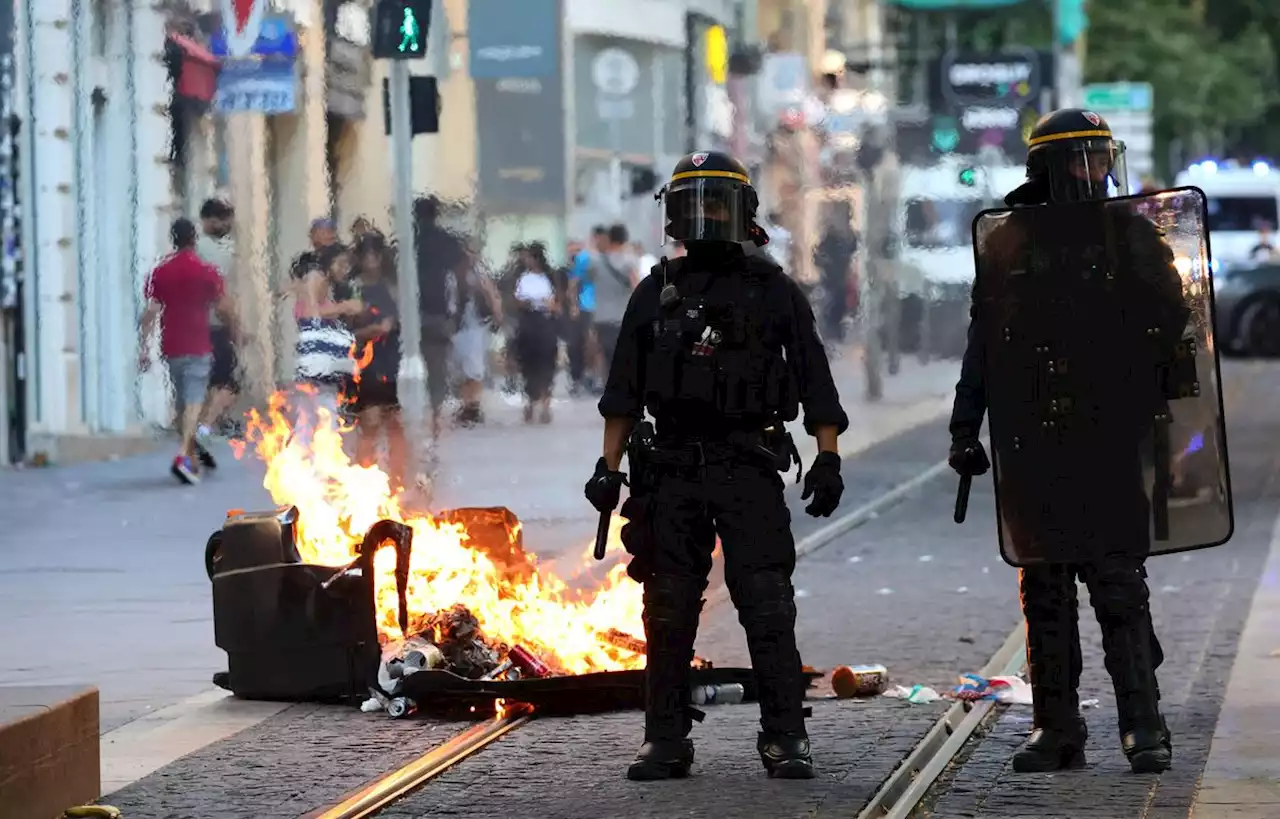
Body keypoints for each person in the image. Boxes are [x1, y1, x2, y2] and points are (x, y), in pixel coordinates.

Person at [583, 150, 848, 781]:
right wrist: (607, 467)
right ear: (675, 212)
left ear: (741, 214)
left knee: (766, 602)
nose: (704, 215)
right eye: (693, 202)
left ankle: (785, 736)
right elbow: (622, 392)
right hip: (670, 468)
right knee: (668, 608)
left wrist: (828, 458)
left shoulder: (775, 290)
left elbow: (815, 381)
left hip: (747, 464)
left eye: (716, 203)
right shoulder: (655, 292)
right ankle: (665, 739)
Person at [949, 109, 1189, 775]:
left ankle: (1145, 725)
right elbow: (983, 347)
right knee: (1046, 590)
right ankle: (1058, 730)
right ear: (1048, 168)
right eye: (1079, 158)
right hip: (1034, 442)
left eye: (1098, 156)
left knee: (1117, 584)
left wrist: (1149, 393)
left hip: (1107, 437)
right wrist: (963, 428)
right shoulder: (1010, 243)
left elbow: (1174, 333)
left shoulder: (1130, 237)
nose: (1093, 170)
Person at [139, 218, 241, 484]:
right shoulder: (208, 271)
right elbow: (224, 308)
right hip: (198, 342)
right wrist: (236, 331)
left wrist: (143, 348)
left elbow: (150, 313)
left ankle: (190, 457)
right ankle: (184, 455)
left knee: (182, 400)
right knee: (194, 401)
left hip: (170, 345)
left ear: (173, 239)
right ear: (194, 239)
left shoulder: (160, 272)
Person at [349, 234, 409, 486]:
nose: (371, 260)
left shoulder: (392, 287)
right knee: (370, 422)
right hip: (364, 363)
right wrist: (373, 331)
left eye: (376, 255)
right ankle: (363, 480)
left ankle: (397, 479)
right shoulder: (353, 288)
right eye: (367, 255)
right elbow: (346, 330)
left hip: (392, 358)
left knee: (395, 423)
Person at [294, 245, 362, 433]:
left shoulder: (323, 282)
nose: (344, 269)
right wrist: (345, 307)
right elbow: (310, 314)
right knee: (323, 407)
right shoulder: (317, 278)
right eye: (340, 264)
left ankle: (306, 453)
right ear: (328, 263)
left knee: (309, 410)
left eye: (346, 265)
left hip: (316, 356)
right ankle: (318, 452)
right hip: (319, 356)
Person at [194, 198, 238, 461]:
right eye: (223, 219)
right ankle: (205, 428)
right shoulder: (213, 251)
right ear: (209, 220)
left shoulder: (198, 248)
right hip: (215, 324)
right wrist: (235, 325)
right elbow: (220, 295)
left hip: (198, 325)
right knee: (229, 384)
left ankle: (203, 431)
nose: (227, 224)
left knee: (211, 383)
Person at [451, 244, 503, 426]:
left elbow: (491, 293)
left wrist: (497, 314)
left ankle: (473, 406)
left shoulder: (479, 273)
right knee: (462, 368)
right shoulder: (454, 272)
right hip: (458, 327)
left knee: (474, 367)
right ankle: (468, 405)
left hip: (475, 326)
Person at [513, 243, 560, 424]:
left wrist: (549, 304)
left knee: (547, 363)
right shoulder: (523, 278)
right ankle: (531, 402)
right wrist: (530, 303)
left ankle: (546, 403)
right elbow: (517, 300)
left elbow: (557, 304)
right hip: (528, 323)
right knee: (529, 363)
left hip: (546, 323)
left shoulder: (551, 278)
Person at [593, 224, 637, 380]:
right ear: (625, 240)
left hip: (601, 318)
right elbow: (636, 287)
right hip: (622, 317)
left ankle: (607, 385)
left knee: (605, 355)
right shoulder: (629, 261)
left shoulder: (596, 261)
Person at [566, 227, 606, 395]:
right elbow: (573, 283)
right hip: (588, 306)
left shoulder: (610, 257)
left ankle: (598, 377)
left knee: (602, 345)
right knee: (591, 342)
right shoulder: (584, 258)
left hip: (606, 308)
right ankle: (588, 376)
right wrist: (574, 305)